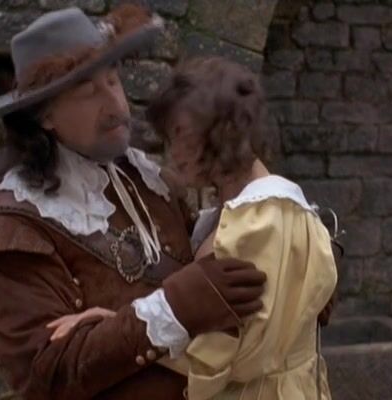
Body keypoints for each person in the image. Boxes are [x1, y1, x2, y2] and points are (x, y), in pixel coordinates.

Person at [0, 5, 268, 400]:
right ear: (45, 116)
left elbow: (221, 276)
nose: (116, 105)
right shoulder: (12, 231)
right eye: (88, 91)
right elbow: (46, 373)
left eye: (114, 81)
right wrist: (174, 307)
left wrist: (291, 243)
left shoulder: (149, 182)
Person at [50, 57, 339, 399]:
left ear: (223, 130)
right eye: (169, 137)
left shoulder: (262, 222)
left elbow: (230, 357)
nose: (173, 153)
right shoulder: (240, 213)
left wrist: (118, 328)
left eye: (181, 135)